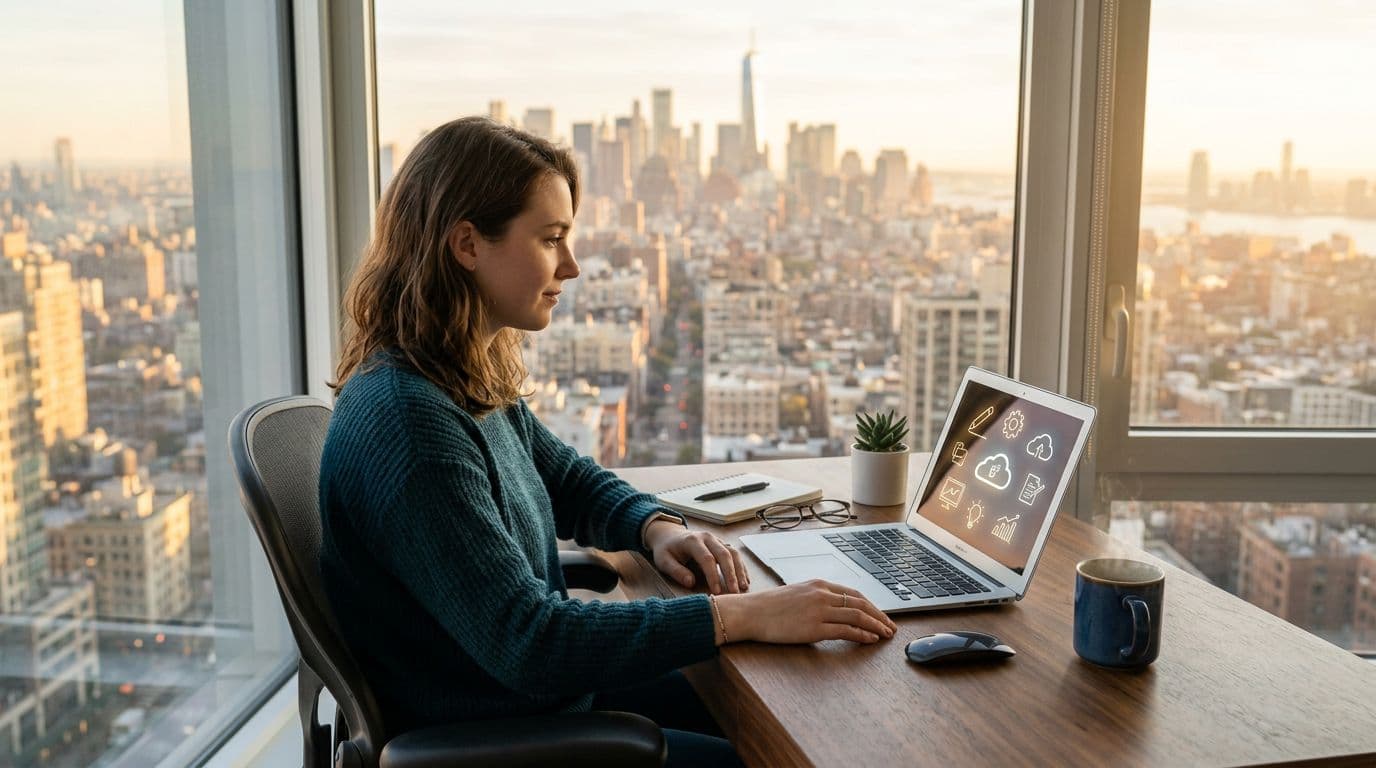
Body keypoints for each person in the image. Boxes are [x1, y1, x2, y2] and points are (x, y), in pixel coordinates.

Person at [318, 116, 896, 766]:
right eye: (550, 239)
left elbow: (565, 478)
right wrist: (747, 615)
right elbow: (529, 643)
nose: (572, 264)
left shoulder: (454, 374)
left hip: (536, 701)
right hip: (507, 731)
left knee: (797, 708)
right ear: (467, 244)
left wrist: (655, 526)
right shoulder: (412, 422)